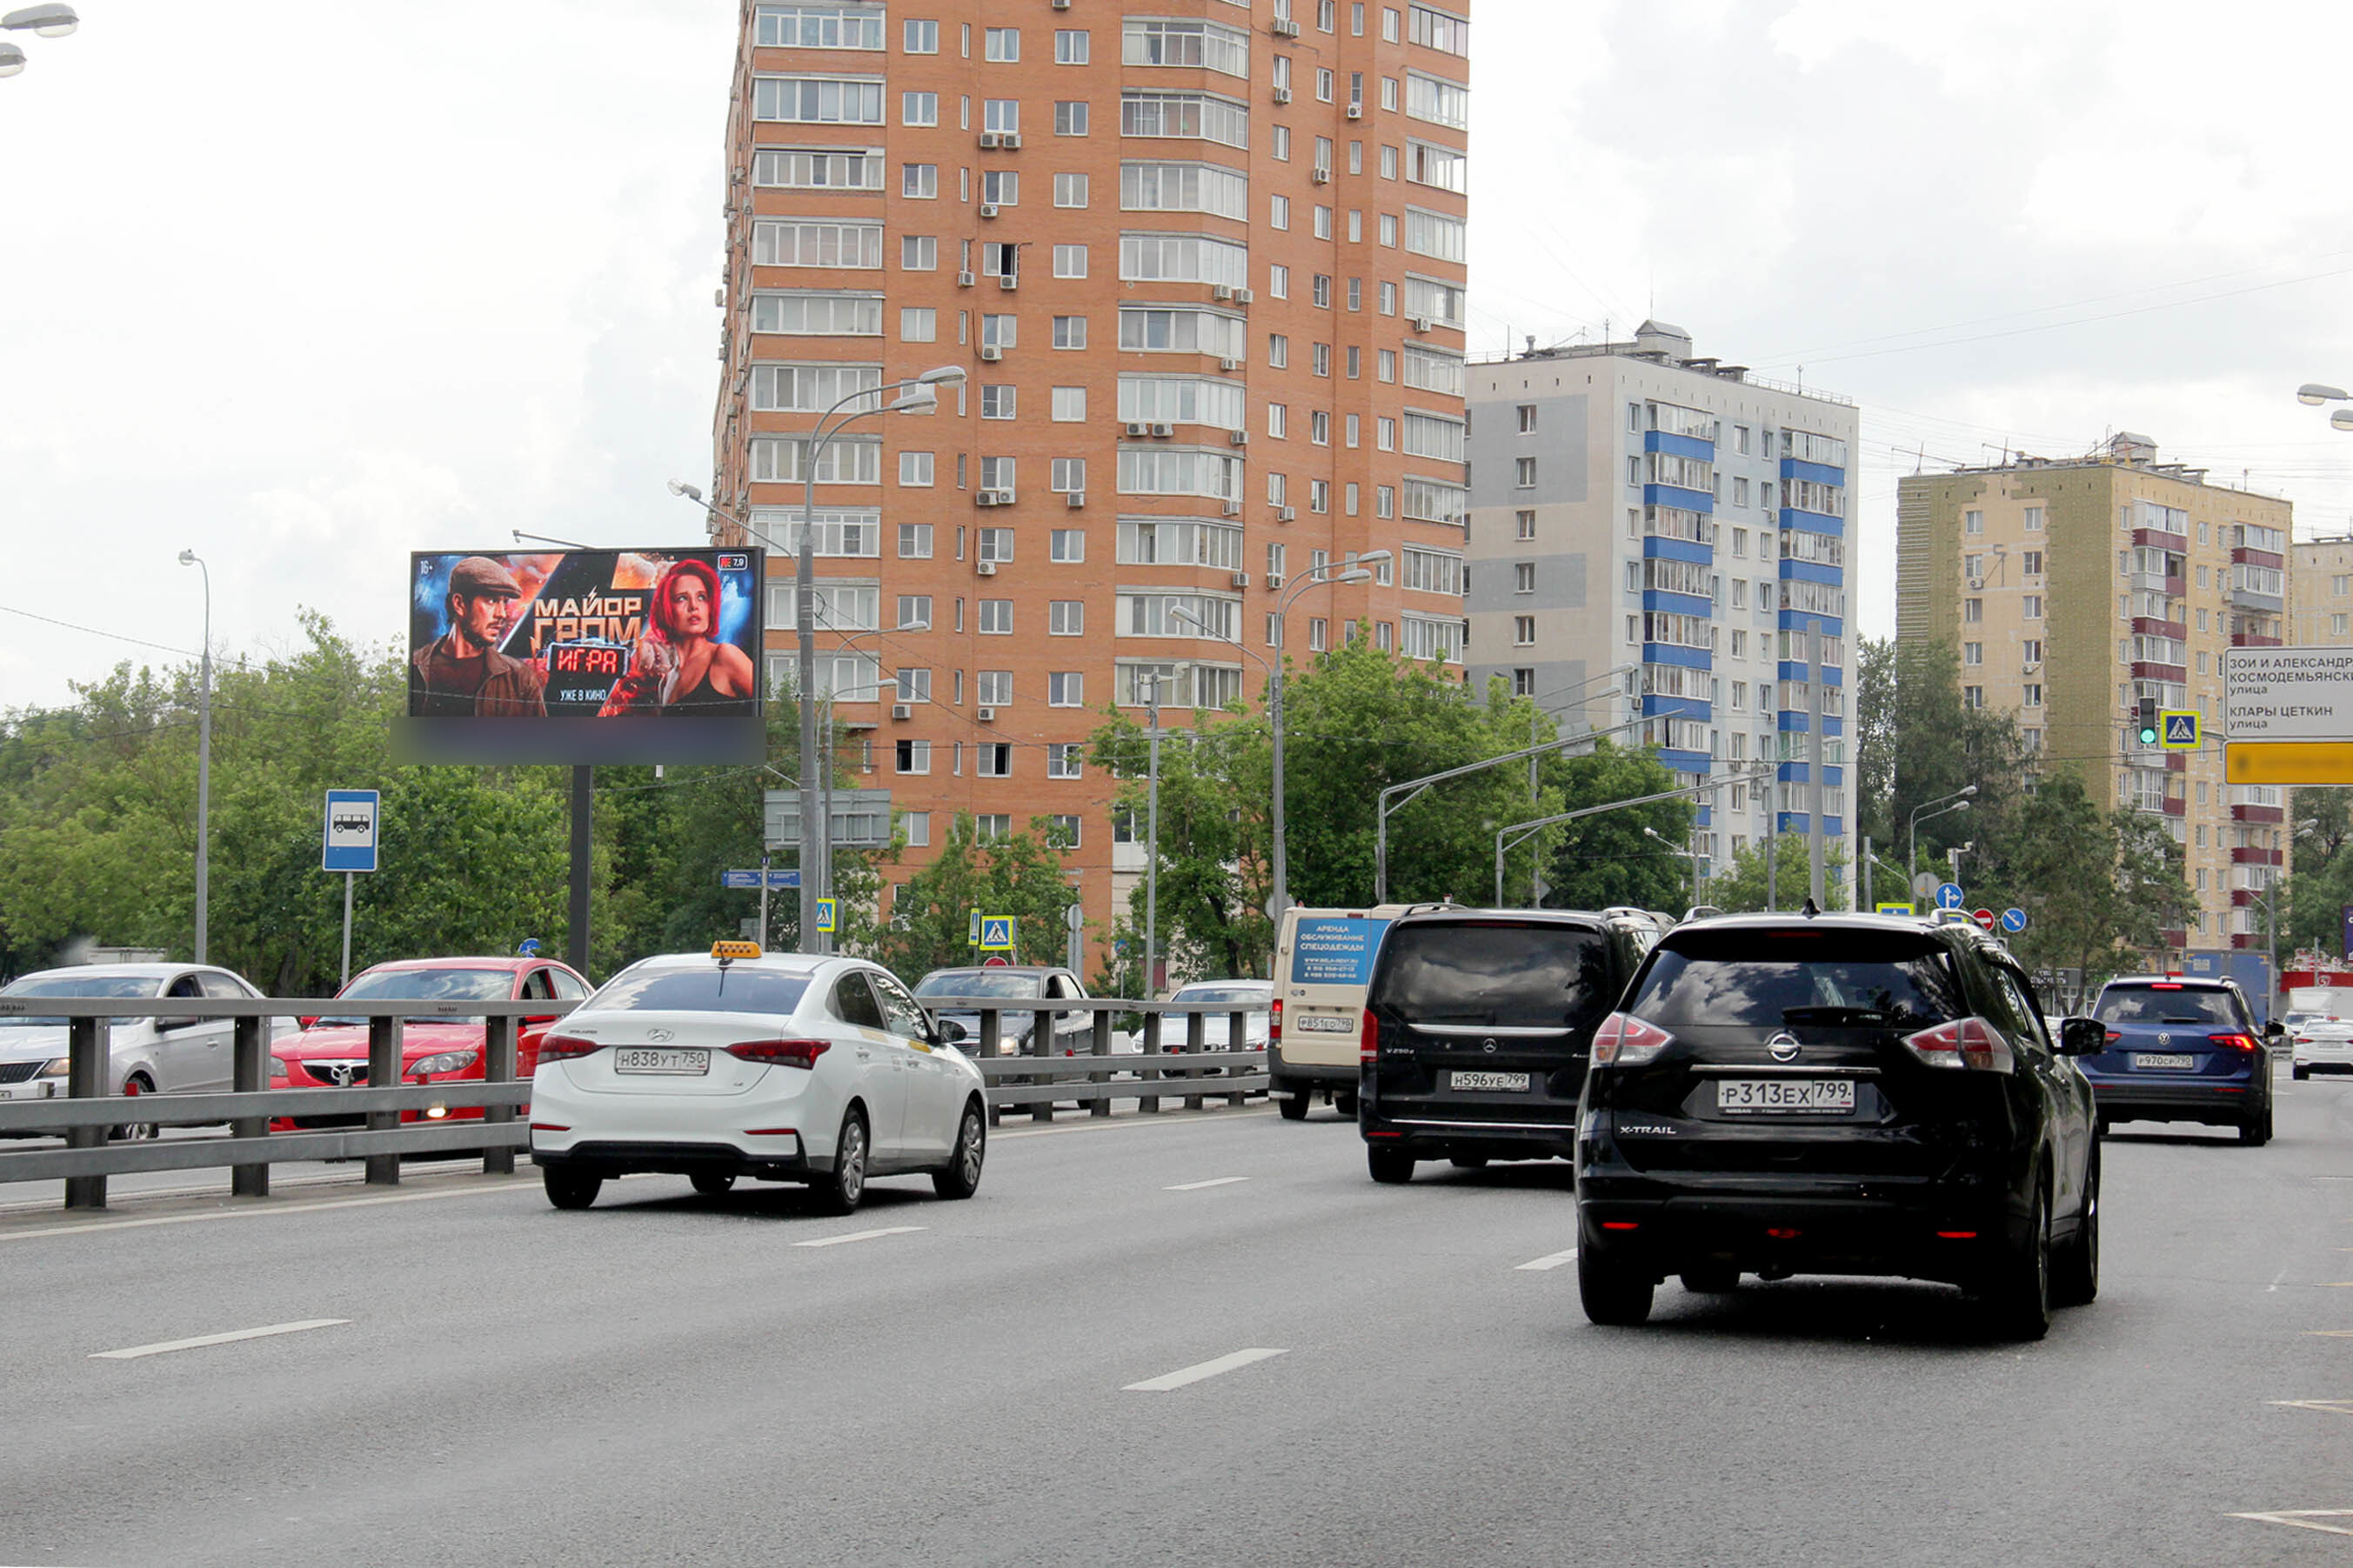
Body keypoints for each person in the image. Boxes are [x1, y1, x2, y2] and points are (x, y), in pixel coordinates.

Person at [598, 557, 758, 717]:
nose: (694, 606)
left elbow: (764, 705)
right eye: (682, 598)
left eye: (701, 597)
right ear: (667, 609)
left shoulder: (725, 656)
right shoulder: (666, 682)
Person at [409, 557, 547, 717]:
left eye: (504, 602)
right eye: (492, 601)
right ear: (459, 604)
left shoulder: (519, 679)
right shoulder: (417, 667)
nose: (502, 614)